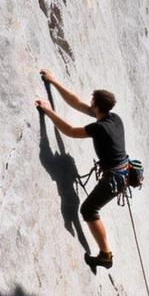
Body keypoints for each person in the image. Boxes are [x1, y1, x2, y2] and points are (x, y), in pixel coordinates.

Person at [35, 69, 128, 270]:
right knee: (88, 209)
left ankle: (105, 255)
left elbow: (69, 131)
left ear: (97, 105)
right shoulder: (114, 118)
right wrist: (54, 81)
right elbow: (77, 103)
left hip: (115, 178)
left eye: (92, 101)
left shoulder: (99, 127)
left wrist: (48, 111)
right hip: (123, 172)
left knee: (88, 210)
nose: (89, 102)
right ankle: (104, 252)